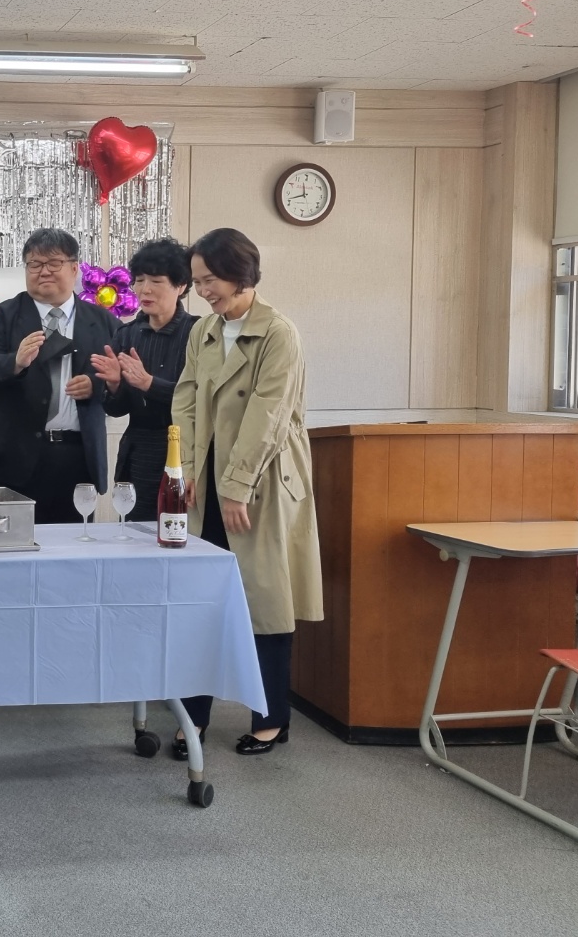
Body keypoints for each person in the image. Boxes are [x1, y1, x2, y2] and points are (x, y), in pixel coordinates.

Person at [170, 227, 322, 757]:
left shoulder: (279, 332)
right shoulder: (203, 331)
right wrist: (187, 469)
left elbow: (268, 417)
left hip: (261, 484)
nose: (202, 291)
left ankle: (271, 718)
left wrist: (236, 487)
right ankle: (192, 718)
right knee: (200, 600)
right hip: (206, 481)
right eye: (196, 282)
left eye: (210, 279)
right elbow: (185, 399)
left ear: (241, 274)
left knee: (264, 603)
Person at [0, 228, 117, 522]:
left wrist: (98, 386)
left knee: (72, 544)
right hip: (10, 459)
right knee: (7, 544)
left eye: (54, 263)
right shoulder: (3, 315)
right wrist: (15, 362)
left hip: (76, 459)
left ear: (74, 268)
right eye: (34, 264)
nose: (43, 271)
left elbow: (120, 381)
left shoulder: (103, 321)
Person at [91, 237, 197, 522]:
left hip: (185, 454)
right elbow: (116, 409)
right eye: (139, 280)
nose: (144, 289)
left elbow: (201, 399)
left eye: (156, 281)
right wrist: (114, 384)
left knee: (179, 529)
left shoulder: (197, 333)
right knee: (134, 531)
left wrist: (150, 384)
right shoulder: (127, 334)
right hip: (137, 454)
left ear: (181, 285)